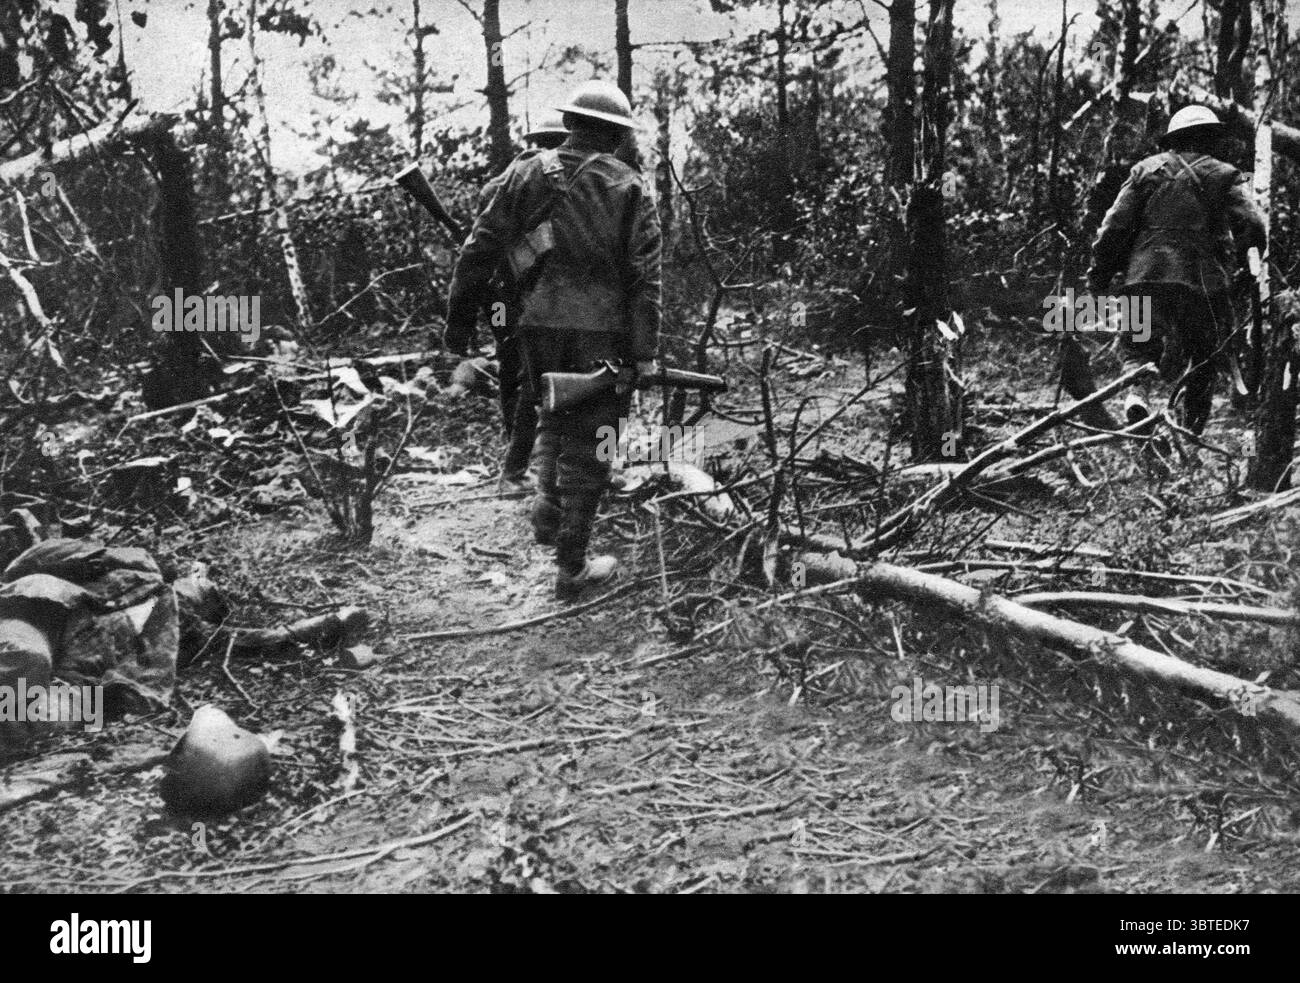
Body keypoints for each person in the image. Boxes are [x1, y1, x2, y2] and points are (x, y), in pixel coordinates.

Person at [445, 80, 662, 598]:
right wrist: (645, 352)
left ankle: (547, 508)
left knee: (548, 413)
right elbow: (645, 278)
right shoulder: (630, 187)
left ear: (569, 124)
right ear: (614, 137)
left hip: (535, 324)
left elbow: (477, 252)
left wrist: (458, 326)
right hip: (602, 332)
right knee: (591, 442)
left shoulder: (523, 174)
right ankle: (572, 567)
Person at [1088, 105, 1266, 435]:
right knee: (1203, 356)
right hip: (1200, 281)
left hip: (1144, 275)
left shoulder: (1145, 170)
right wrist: (1243, 264)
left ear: (1174, 140)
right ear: (1212, 139)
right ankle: (1190, 433)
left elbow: (1114, 226)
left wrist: (1099, 273)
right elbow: (1254, 224)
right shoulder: (1224, 174)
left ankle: (1135, 395)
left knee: (1139, 345)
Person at [475, 111, 570, 493]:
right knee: (535, 374)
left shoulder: (501, 181)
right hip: (525, 291)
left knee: (509, 360)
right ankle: (516, 468)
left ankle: (514, 448)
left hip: (497, 294)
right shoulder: (552, 180)